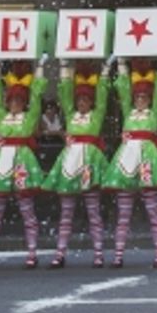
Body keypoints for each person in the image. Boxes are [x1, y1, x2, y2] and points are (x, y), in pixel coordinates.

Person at [0, 61, 47, 269]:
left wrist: (39, 71)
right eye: (12, 99)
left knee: (27, 210)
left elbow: (36, 97)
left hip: (22, 162)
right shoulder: (2, 116)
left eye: (19, 100)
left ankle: (32, 252)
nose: (15, 102)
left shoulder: (29, 116)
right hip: (1, 161)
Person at [103, 59, 157, 268]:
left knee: (153, 211)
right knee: (123, 212)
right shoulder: (128, 111)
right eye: (138, 97)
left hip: (147, 164)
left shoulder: (154, 112)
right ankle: (118, 255)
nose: (140, 99)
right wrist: (123, 65)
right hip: (126, 161)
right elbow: (123, 90)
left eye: (144, 97)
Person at [45, 62, 110, 269]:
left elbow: (102, 95)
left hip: (89, 163)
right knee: (66, 211)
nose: (82, 102)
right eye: (80, 99)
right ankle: (60, 253)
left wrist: (105, 74)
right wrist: (64, 69)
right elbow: (64, 94)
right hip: (70, 162)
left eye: (86, 99)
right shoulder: (71, 114)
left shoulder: (96, 114)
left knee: (93, 211)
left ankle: (98, 253)